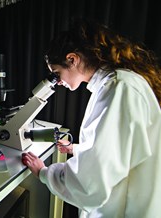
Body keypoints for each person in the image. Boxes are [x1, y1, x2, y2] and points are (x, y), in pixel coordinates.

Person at [22, 18, 161, 217]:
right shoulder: (117, 84)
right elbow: (121, 151)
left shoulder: (119, 88)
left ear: (72, 59)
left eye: (56, 73)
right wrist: (76, 149)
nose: (58, 82)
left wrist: (44, 172)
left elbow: (89, 184)